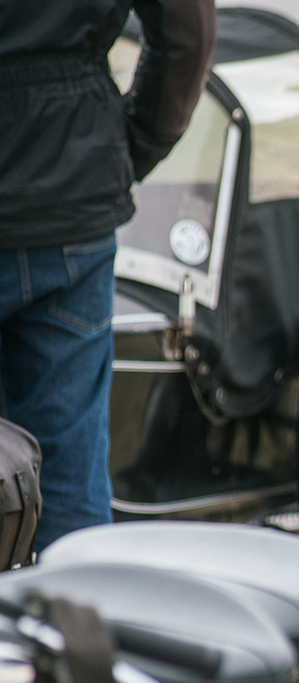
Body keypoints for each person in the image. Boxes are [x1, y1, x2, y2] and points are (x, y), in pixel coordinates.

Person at [0, 1, 217, 549]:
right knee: (69, 475)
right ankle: (75, 626)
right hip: (73, 192)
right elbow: (187, 30)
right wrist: (127, 146)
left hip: (77, 189)